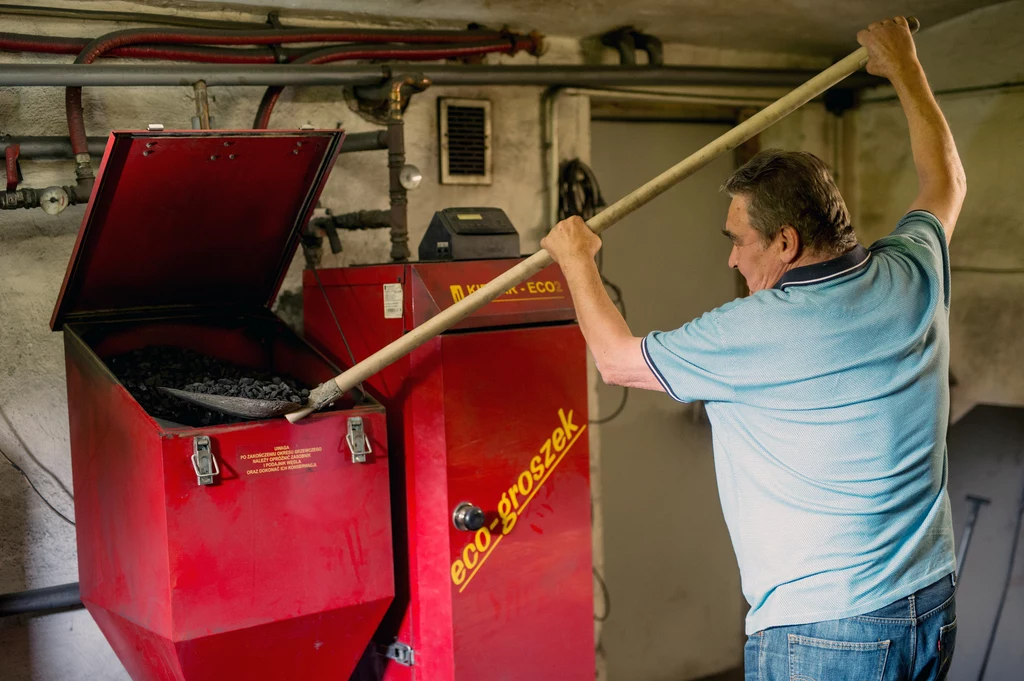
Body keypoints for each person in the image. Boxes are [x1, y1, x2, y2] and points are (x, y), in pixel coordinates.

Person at [541, 17, 966, 681]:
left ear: (787, 243)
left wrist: (576, 259)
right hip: (929, 603)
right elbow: (945, 180)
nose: (735, 259)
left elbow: (616, 360)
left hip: (824, 633)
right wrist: (904, 66)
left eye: (740, 240)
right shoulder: (911, 271)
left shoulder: (754, 328)